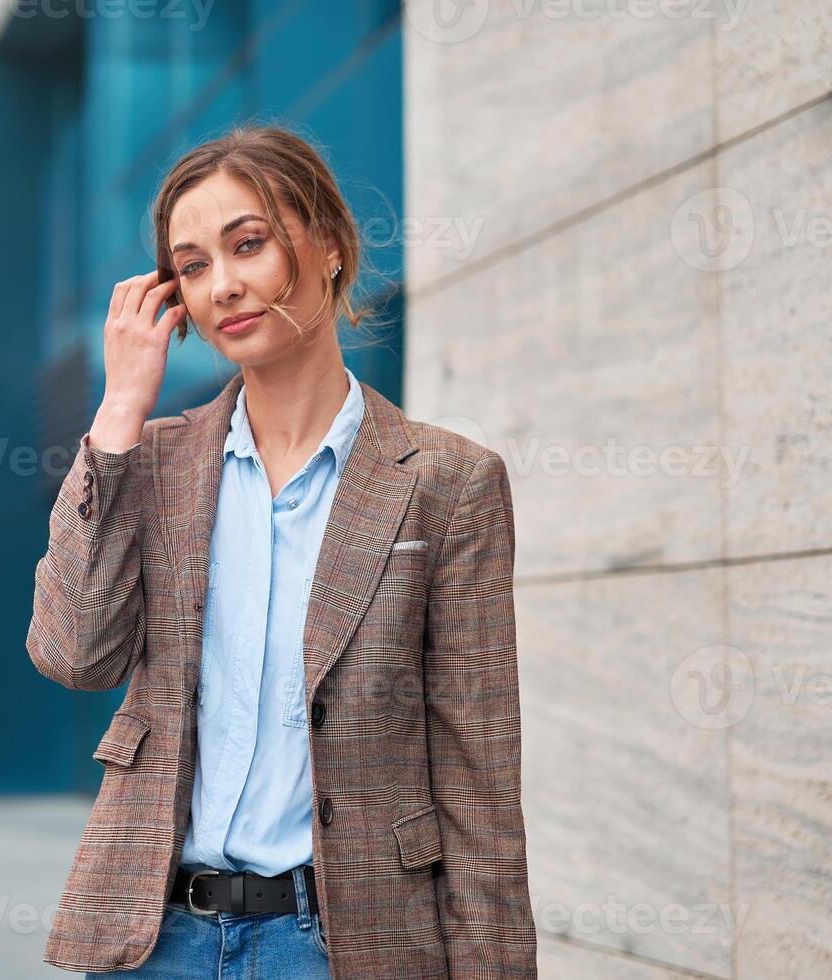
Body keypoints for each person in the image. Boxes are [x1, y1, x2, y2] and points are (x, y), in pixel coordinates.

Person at [27, 125, 537, 978]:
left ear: (328, 246)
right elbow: (74, 653)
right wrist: (117, 415)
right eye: (191, 267)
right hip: (158, 942)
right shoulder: (149, 465)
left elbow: (479, 780)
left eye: (248, 245)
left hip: (345, 944)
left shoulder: (449, 482)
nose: (222, 285)